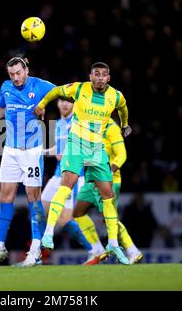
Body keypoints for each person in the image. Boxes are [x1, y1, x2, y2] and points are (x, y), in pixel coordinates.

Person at [34, 62, 132, 264]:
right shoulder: (79, 88)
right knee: (65, 185)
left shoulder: (116, 96)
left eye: (104, 75)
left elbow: (123, 108)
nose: (100, 78)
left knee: (108, 195)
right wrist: (42, 104)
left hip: (97, 149)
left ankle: (113, 244)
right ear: (90, 76)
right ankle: (49, 233)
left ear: (109, 78)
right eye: (96, 74)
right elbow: (55, 92)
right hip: (76, 144)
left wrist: (125, 124)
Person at [0, 57, 55, 267]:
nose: (15, 78)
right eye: (11, 74)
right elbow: (0, 110)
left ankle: (35, 249)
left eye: (18, 73)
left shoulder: (40, 86)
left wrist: (46, 106)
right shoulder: (6, 87)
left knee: (34, 198)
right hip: (10, 151)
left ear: (26, 70)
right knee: (5, 197)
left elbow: (63, 95)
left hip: (32, 151)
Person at [73, 118, 143, 265]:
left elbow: (122, 155)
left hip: (108, 180)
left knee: (109, 218)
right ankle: (97, 249)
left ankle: (132, 250)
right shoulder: (90, 125)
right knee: (78, 213)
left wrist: (107, 172)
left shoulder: (112, 129)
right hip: (91, 179)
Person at [41, 99, 102, 261]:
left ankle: (94, 249)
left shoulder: (79, 122)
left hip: (73, 177)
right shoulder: (58, 124)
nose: (65, 104)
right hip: (56, 175)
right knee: (39, 209)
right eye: (62, 100)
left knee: (65, 220)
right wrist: (43, 151)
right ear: (58, 103)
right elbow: (57, 149)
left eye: (69, 101)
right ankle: (37, 253)